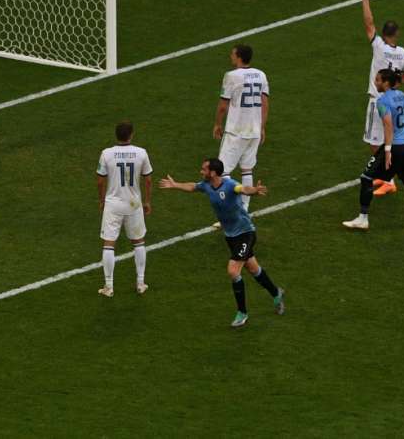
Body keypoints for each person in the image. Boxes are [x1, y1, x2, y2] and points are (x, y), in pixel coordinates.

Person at [159, 158, 285, 327]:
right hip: (230, 236)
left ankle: (242, 313)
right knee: (253, 269)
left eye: (204, 169)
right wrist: (175, 185)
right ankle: (276, 293)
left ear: (213, 173)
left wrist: (254, 191)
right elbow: (193, 187)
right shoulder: (207, 185)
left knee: (233, 271)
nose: (201, 171)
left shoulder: (230, 185)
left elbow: (243, 189)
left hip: (245, 233)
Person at [343, 69, 404, 230]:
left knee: (366, 177)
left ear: (386, 82)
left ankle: (363, 219)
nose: (376, 82)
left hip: (395, 146)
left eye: (378, 80)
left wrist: (387, 151)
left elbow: (388, 126)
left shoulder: (383, 101)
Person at [360, 0, 404, 197]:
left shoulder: (379, 46)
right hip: (393, 98)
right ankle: (387, 176)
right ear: (396, 34)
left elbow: (368, 23)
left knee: (374, 142)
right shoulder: (402, 52)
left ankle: (388, 179)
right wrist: (397, 84)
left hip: (378, 100)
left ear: (383, 34)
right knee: (385, 140)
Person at [96, 121, 153, 297]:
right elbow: (148, 180)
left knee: (109, 243)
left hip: (113, 204)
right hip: (133, 203)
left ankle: (109, 286)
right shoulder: (141, 153)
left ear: (116, 135)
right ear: (131, 135)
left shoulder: (106, 154)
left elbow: (100, 180)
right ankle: (140, 283)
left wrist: (101, 200)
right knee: (138, 241)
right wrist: (147, 201)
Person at [213, 44, 269, 216]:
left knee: (222, 171)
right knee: (247, 169)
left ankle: (232, 210)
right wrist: (262, 127)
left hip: (236, 131)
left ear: (239, 57)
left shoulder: (231, 76)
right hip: (254, 130)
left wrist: (217, 124)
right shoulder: (261, 75)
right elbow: (265, 103)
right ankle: (244, 209)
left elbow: (223, 105)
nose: (231, 56)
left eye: (232, 54)